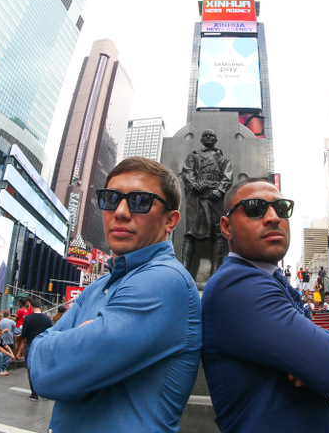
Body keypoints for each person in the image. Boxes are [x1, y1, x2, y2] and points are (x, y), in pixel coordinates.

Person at [29, 157, 202, 432]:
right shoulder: (98, 286)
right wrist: (73, 342)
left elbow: (49, 374)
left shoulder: (165, 281)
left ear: (171, 220)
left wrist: (65, 341)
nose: (120, 211)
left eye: (140, 201)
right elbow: (37, 359)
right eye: (110, 198)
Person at [202, 178, 329, 432]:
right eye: (255, 208)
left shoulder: (267, 278)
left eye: (281, 208)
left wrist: (312, 355)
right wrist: (327, 350)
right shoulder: (237, 285)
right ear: (227, 227)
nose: (273, 217)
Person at [180, 129, 233, 281]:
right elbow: (187, 172)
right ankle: (183, 268)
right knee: (190, 232)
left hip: (215, 198)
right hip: (197, 198)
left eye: (212, 135)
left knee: (218, 234)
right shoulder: (194, 156)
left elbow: (228, 176)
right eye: (206, 136)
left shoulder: (223, 159)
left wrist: (220, 190)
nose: (209, 138)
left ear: (216, 139)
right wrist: (194, 185)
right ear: (201, 139)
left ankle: (216, 270)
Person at [20, 299, 52, 400]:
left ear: (32, 307)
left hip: (30, 344)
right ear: (40, 307)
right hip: (43, 345)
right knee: (44, 368)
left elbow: (23, 334)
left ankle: (34, 393)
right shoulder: (47, 319)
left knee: (31, 369)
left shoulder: (28, 318)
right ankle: (46, 393)